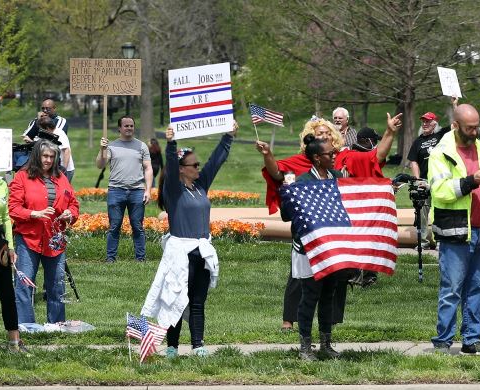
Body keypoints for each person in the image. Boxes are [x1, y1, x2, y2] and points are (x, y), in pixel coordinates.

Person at [142, 121, 238, 358]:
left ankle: (198, 344)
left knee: (197, 301)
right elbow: (171, 164)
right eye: (193, 165)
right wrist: (171, 143)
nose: (198, 167)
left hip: (201, 250)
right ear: (182, 169)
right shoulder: (173, 190)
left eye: (198, 164)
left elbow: (215, 162)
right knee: (176, 299)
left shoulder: (199, 185)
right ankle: (172, 347)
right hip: (180, 252)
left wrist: (228, 137)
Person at [257, 118, 345, 332]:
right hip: (306, 234)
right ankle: (292, 321)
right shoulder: (300, 170)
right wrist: (268, 155)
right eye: (319, 132)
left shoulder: (336, 169)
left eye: (327, 133)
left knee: (331, 280)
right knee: (301, 279)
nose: (323, 136)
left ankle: (327, 329)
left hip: (331, 233)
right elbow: (277, 173)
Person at [428, 103, 480, 355]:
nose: (475, 132)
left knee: (476, 286)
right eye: (469, 128)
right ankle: (443, 342)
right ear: (456, 126)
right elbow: (439, 191)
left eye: (477, 127)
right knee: (452, 288)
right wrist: (472, 181)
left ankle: (472, 339)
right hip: (455, 230)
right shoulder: (440, 153)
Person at [287, 134, 345, 361]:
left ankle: (326, 344)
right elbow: (292, 217)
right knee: (310, 296)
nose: (334, 156)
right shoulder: (302, 182)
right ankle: (305, 347)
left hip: (331, 248)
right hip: (309, 249)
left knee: (329, 295)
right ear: (316, 158)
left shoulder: (337, 177)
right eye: (330, 154)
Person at [9, 140, 79, 325]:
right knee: (24, 285)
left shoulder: (61, 177)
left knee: (56, 285)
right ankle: (26, 326)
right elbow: (14, 208)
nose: (48, 160)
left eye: (51, 156)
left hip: (54, 240)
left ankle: (56, 325)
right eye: (44, 156)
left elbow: (73, 204)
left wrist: (69, 214)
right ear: (37, 156)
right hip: (29, 238)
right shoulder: (22, 177)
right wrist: (34, 213)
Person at [333, 116, 403, 287]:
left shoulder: (344, 155)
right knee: (364, 241)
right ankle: (360, 276)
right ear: (366, 141)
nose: (375, 144)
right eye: (374, 141)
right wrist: (390, 132)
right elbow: (379, 155)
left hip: (346, 211)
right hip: (358, 213)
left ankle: (359, 274)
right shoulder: (355, 157)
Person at [95, 116, 153, 262]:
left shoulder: (141, 146)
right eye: (126, 126)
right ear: (119, 128)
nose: (129, 128)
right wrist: (102, 149)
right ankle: (110, 258)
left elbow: (148, 168)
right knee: (114, 226)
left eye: (131, 126)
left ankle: (141, 258)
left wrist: (148, 190)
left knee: (137, 226)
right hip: (116, 190)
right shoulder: (111, 146)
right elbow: (100, 165)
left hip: (137, 191)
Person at [0, 172, 25, 353]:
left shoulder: (2, 185)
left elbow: (6, 218)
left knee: (7, 294)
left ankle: (14, 344)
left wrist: (10, 246)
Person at [407, 112, 451, 250]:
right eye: (423, 122)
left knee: (439, 211)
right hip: (424, 181)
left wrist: (455, 104)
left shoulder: (441, 135)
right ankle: (424, 242)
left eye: (428, 121)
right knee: (422, 212)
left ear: (435, 123)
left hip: (440, 180)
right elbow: (413, 162)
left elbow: (456, 124)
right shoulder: (418, 141)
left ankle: (439, 241)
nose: (425, 124)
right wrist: (418, 180)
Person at [37, 116, 75, 182]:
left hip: (65, 170)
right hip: (56, 169)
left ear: (47, 128)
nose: (40, 130)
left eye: (41, 128)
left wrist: (63, 170)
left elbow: (67, 151)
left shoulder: (59, 134)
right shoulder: (50, 134)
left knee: (63, 191)